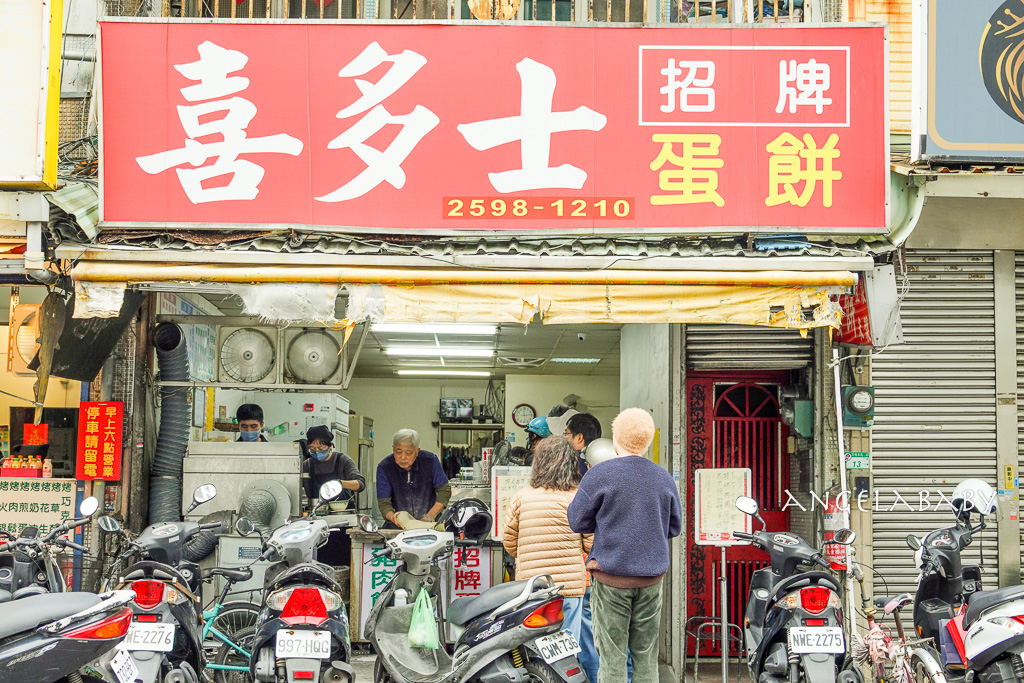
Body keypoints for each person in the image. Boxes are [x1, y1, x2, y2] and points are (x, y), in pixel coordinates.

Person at [568, 408, 682, 683]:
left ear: (615, 438)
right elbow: (674, 527)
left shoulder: (599, 475)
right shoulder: (663, 477)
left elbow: (576, 520)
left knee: (612, 658)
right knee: (645, 656)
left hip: (611, 578)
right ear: (647, 441)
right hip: (651, 579)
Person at [502, 435, 592, 645]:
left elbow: (510, 544)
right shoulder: (579, 498)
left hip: (531, 587)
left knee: (533, 645)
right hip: (569, 588)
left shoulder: (521, 497)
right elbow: (590, 544)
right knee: (568, 645)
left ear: (538, 463)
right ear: (571, 464)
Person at [377, 429, 451, 529]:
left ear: (417, 451)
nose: (403, 457)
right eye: (398, 452)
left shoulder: (430, 461)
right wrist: (393, 517)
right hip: (397, 528)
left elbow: (444, 490)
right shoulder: (385, 467)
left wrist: (431, 514)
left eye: (408, 453)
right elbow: (384, 503)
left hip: (428, 526)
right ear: (393, 449)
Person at [301, 425, 364, 505]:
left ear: (330, 446)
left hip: (342, 513)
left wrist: (339, 483)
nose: (316, 451)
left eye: (320, 449)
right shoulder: (307, 465)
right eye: (312, 449)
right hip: (316, 511)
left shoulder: (343, 461)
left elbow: (360, 484)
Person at [564, 412, 601, 476]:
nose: (564, 437)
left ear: (579, 438)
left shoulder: (572, 463)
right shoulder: (602, 462)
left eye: (566, 433)